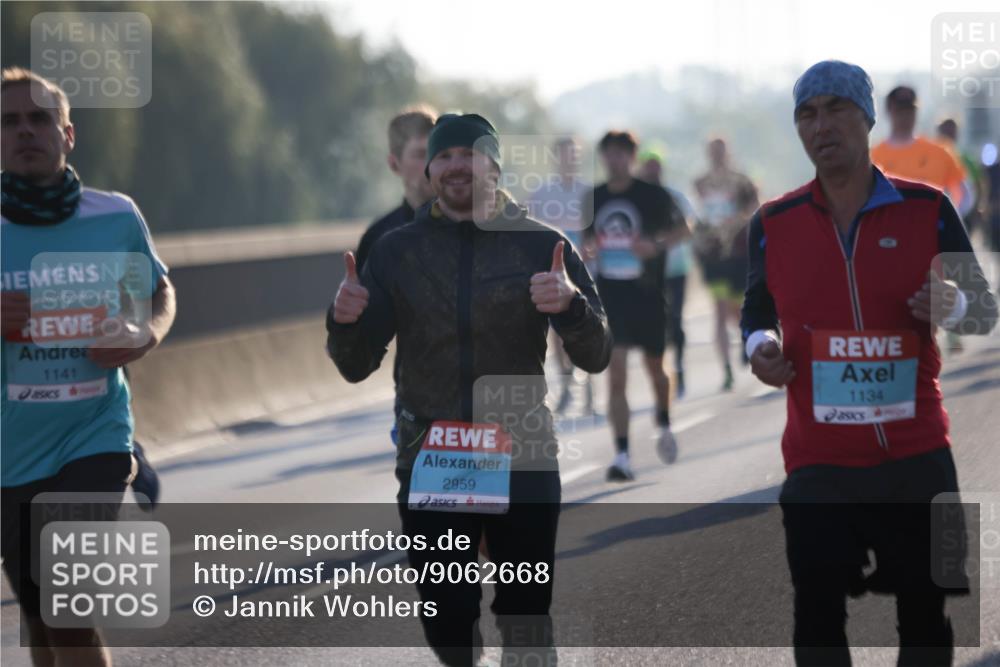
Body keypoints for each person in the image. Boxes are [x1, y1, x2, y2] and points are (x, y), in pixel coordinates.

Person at [327, 113, 612, 666]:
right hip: (434, 453)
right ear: (429, 171)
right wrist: (342, 323)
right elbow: (356, 366)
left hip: (521, 452)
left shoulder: (541, 244)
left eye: (470, 154)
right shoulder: (397, 251)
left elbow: (596, 353)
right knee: (448, 622)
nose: (457, 166)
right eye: (445, 156)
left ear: (494, 167)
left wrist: (572, 306)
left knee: (526, 618)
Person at [742, 60, 998, 666]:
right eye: (807, 113)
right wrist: (759, 349)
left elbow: (983, 311)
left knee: (926, 619)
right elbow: (757, 309)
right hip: (819, 460)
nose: (821, 125)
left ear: (867, 117)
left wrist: (955, 304)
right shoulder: (773, 222)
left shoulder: (927, 207)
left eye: (836, 108)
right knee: (817, 618)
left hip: (916, 454)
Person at [1, 67, 176, 667]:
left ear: (68, 134)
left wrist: (146, 330)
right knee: (40, 615)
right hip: (10, 450)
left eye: (40, 118)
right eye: (9, 121)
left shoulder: (115, 217)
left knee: (66, 609)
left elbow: (158, 291)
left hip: (94, 434)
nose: (25, 130)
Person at [582, 131, 687, 482]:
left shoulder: (653, 195)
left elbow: (685, 228)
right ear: (603, 157)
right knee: (616, 375)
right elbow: (588, 240)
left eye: (621, 154)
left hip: (648, 296)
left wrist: (655, 245)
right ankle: (622, 454)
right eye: (609, 154)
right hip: (611, 298)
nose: (614, 160)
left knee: (656, 369)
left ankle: (664, 420)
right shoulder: (594, 197)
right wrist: (589, 250)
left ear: (632, 157)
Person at [354, 106, 437, 445]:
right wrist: (344, 331)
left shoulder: (480, 223)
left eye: (438, 152)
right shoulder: (380, 238)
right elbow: (364, 326)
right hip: (416, 402)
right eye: (420, 154)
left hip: (486, 401)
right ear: (394, 163)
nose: (431, 164)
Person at [524, 136, 595, 415]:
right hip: (553, 271)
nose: (570, 160)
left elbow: (599, 233)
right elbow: (527, 229)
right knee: (557, 333)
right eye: (565, 154)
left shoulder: (589, 193)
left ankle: (588, 393)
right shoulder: (542, 193)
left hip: (586, 272)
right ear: (556, 158)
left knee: (586, 327)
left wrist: (591, 249)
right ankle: (567, 384)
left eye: (574, 155)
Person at [693, 138, 760, 391]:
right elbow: (698, 214)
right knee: (719, 311)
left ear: (728, 153)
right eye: (713, 152)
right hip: (714, 256)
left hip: (738, 253)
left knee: (737, 308)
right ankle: (726, 368)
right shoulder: (700, 182)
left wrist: (738, 218)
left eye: (721, 151)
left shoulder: (742, 180)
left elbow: (755, 208)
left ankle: (745, 337)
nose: (717, 156)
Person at [637, 149, 696, 398]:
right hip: (646, 272)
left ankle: (679, 366)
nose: (652, 169)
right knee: (653, 323)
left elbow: (689, 228)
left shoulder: (673, 195)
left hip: (675, 268)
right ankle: (660, 372)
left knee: (675, 319)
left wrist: (661, 244)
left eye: (656, 165)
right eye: (648, 165)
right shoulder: (636, 198)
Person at [871, 86, 969, 212]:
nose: (905, 115)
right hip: (888, 223)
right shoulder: (873, 157)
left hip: (930, 222)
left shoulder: (940, 152)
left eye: (910, 109)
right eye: (900, 109)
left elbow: (965, 195)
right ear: (889, 110)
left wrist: (949, 218)